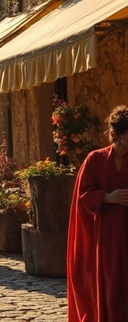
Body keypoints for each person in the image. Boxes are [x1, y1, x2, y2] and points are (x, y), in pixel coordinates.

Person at [67, 105, 128, 321]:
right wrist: (107, 197)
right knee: (111, 280)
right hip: (107, 235)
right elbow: (83, 194)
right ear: (115, 134)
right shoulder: (95, 160)